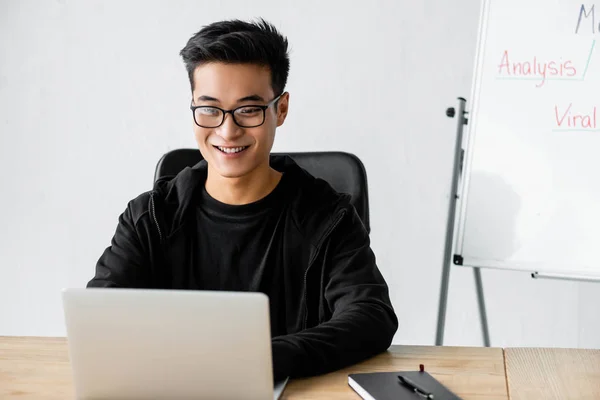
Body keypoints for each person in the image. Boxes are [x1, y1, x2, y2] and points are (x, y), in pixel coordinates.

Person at [88, 18, 398, 381]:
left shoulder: (327, 217)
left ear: (280, 110)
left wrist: (264, 359)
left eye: (248, 109)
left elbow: (371, 315)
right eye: (209, 109)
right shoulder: (150, 216)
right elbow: (100, 317)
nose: (227, 130)